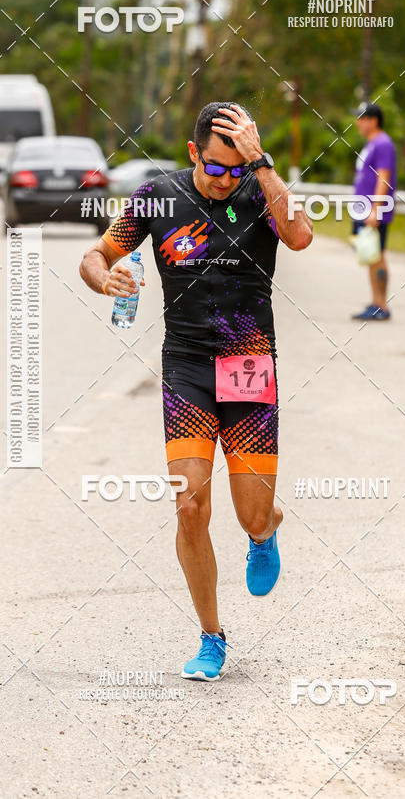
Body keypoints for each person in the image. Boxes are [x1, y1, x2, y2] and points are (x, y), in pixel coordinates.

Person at [79, 102, 313, 681]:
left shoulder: (260, 190)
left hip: (247, 363)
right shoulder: (158, 196)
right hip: (185, 367)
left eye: (237, 167)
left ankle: (265, 529)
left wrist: (262, 165)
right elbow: (95, 255)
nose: (225, 178)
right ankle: (212, 637)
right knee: (190, 507)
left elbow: (300, 236)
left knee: (250, 513)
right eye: (215, 167)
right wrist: (105, 279)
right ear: (192, 153)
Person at [351, 101, 397, 321]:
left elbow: (383, 176)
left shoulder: (383, 144)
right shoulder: (371, 144)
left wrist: (375, 209)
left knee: (377, 256)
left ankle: (382, 305)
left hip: (374, 211)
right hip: (364, 210)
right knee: (370, 255)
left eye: (362, 118)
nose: (357, 122)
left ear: (374, 120)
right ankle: (375, 303)